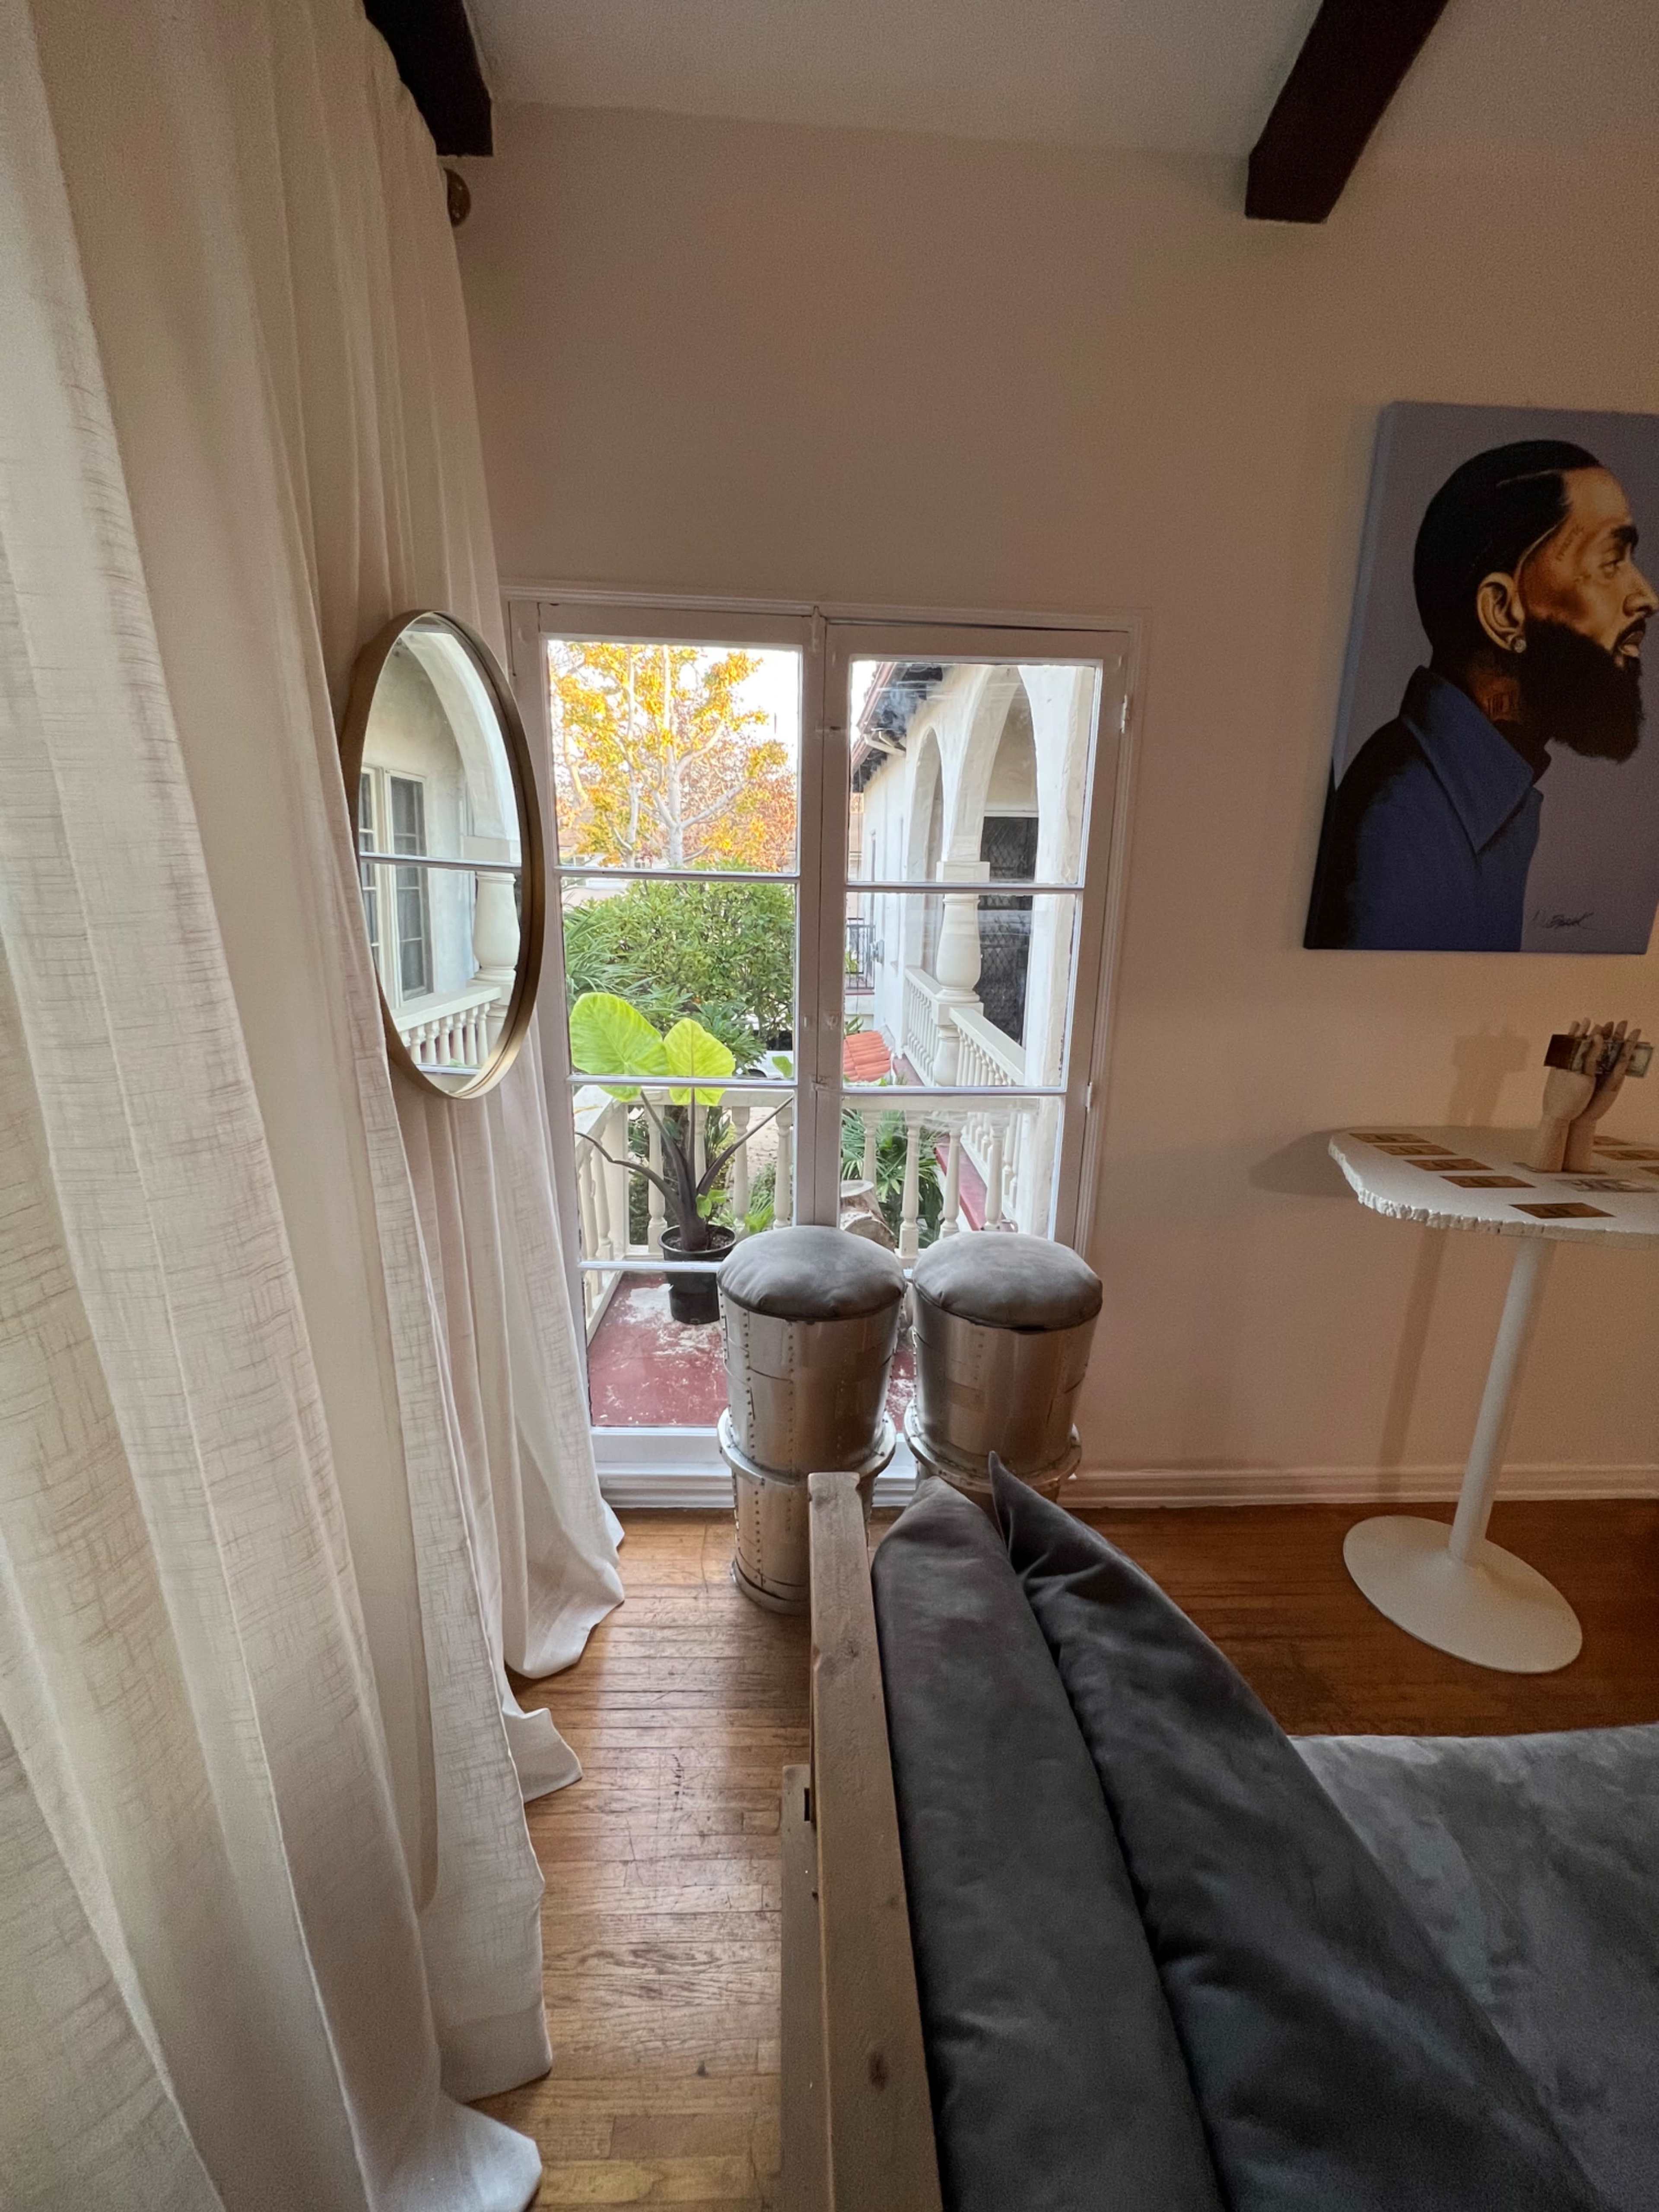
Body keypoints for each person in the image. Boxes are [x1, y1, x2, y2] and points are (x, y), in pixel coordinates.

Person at [1306, 439, 1656, 949]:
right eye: (1610, 562)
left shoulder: (1468, 797)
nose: (1646, 596)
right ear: (1502, 611)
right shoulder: (1403, 825)